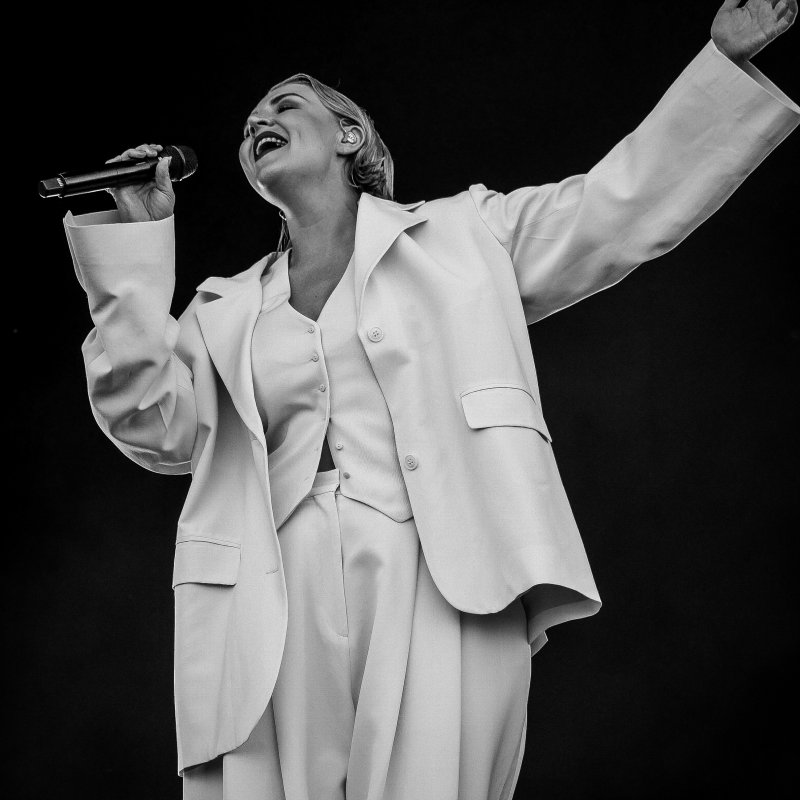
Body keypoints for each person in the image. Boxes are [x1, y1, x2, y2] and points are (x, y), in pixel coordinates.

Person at [63, 1, 797, 798]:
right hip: (271, 592)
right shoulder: (221, 310)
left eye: (285, 105)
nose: (257, 123)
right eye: (248, 124)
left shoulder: (462, 238)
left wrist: (721, 61)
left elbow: (617, 206)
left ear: (350, 137)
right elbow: (153, 426)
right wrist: (134, 253)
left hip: (443, 567)